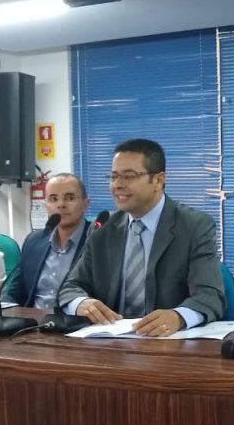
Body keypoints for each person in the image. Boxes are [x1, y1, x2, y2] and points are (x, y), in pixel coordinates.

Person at [58, 138, 224, 337]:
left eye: (128, 176)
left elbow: (210, 295)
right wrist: (82, 303)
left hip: (168, 343)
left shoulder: (194, 226)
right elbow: (71, 287)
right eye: (113, 177)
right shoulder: (103, 227)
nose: (118, 185)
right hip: (109, 343)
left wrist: (178, 317)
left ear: (158, 181)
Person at [3, 173, 92, 309]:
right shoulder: (34, 241)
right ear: (46, 205)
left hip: (74, 319)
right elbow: (15, 293)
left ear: (85, 204)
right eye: (53, 199)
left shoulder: (97, 241)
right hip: (32, 319)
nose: (61, 205)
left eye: (69, 198)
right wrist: (1, 311)